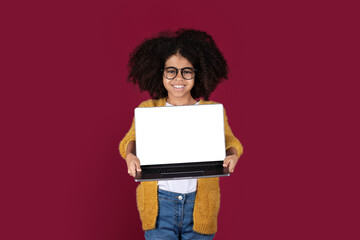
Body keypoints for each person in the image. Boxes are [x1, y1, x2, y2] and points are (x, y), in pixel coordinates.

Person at [119, 29, 243, 240]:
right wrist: (130, 156)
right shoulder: (149, 108)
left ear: (198, 74)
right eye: (171, 71)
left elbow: (231, 141)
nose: (179, 78)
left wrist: (232, 155)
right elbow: (129, 140)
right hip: (159, 205)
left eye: (187, 71)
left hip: (200, 206)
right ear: (161, 73)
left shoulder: (212, 110)